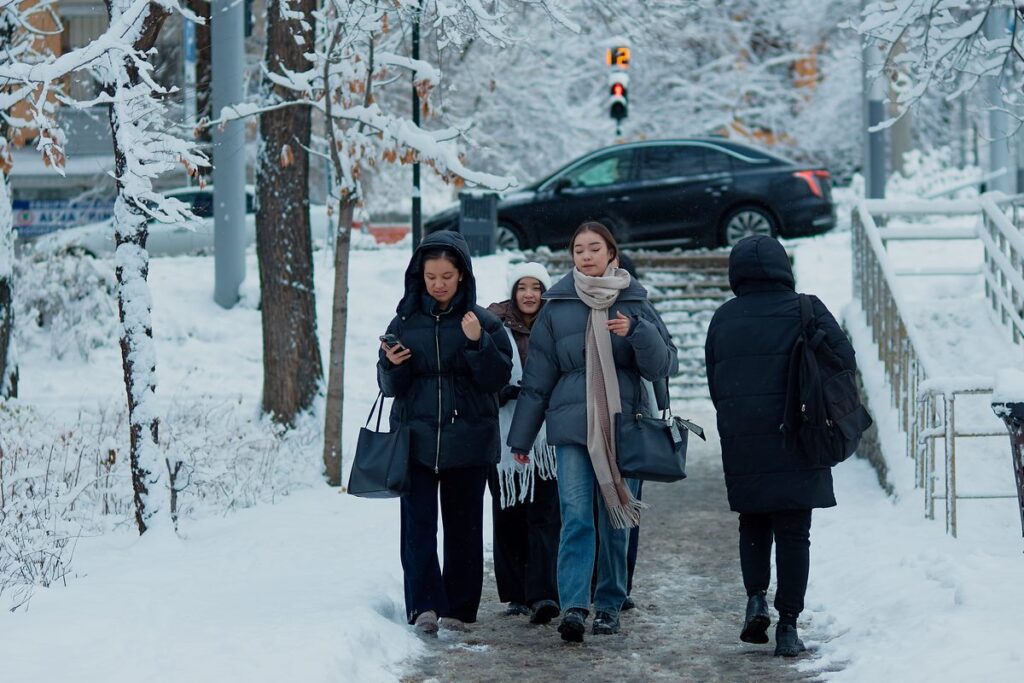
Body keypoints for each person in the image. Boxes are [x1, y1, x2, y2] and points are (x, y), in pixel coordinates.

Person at [508, 222, 678, 643]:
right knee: (577, 518)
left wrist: (637, 333)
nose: (586, 255)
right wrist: (521, 438)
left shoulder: (634, 301)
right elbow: (538, 377)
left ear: (611, 256)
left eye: (594, 248)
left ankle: (608, 603)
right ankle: (573, 607)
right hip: (571, 429)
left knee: (616, 518)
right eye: (579, 249)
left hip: (623, 427)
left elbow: (664, 365)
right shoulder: (557, 304)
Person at [704, 235, 857, 657]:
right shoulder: (805, 307)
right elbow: (845, 360)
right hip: (800, 432)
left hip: (744, 436)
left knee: (752, 522)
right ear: (782, 267)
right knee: (794, 533)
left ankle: (756, 598)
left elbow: (715, 380)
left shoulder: (724, 317)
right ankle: (788, 624)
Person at [378, 230, 512, 635]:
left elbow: (498, 379)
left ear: (462, 276)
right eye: (431, 275)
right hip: (415, 441)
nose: (437, 283)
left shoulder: (483, 322)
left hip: (468, 441)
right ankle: (423, 606)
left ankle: (459, 608)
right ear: (419, 274)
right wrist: (393, 365)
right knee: (417, 528)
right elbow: (388, 388)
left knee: (464, 528)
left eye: (446, 276)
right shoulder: (403, 320)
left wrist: (476, 344)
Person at [486, 262, 561, 625]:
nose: (529, 294)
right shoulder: (493, 323)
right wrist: (504, 389)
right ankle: (515, 593)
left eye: (536, 287)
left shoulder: (557, 323)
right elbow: (483, 368)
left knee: (545, 513)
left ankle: (544, 591)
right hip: (502, 431)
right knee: (508, 510)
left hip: (547, 435)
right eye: (522, 287)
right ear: (513, 292)